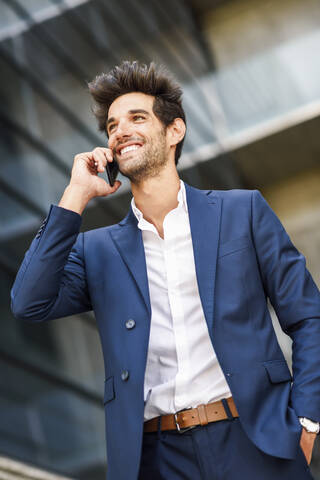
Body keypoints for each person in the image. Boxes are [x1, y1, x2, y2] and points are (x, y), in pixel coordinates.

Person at [11, 61, 320, 480]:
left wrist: (306, 421)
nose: (120, 131)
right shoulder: (97, 250)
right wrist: (75, 194)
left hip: (255, 441)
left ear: (175, 131)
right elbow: (29, 302)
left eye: (137, 118)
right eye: (112, 126)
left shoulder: (241, 212)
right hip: (157, 459)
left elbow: (309, 318)